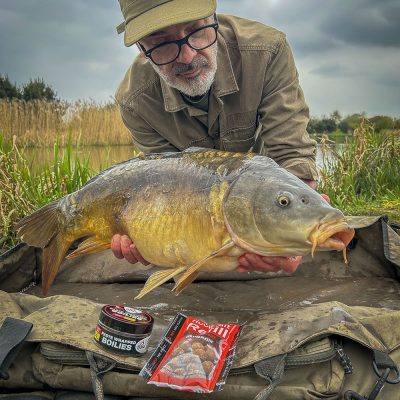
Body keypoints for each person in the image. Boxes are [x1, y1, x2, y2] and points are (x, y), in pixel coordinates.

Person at [112, 0, 325, 274]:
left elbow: (292, 154)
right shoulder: (135, 100)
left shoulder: (267, 51)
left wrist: (294, 230)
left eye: (196, 31)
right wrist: (153, 241)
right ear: (142, 49)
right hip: (196, 219)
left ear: (213, 18)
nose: (187, 57)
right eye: (162, 43)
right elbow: (163, 186)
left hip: (265, 197)